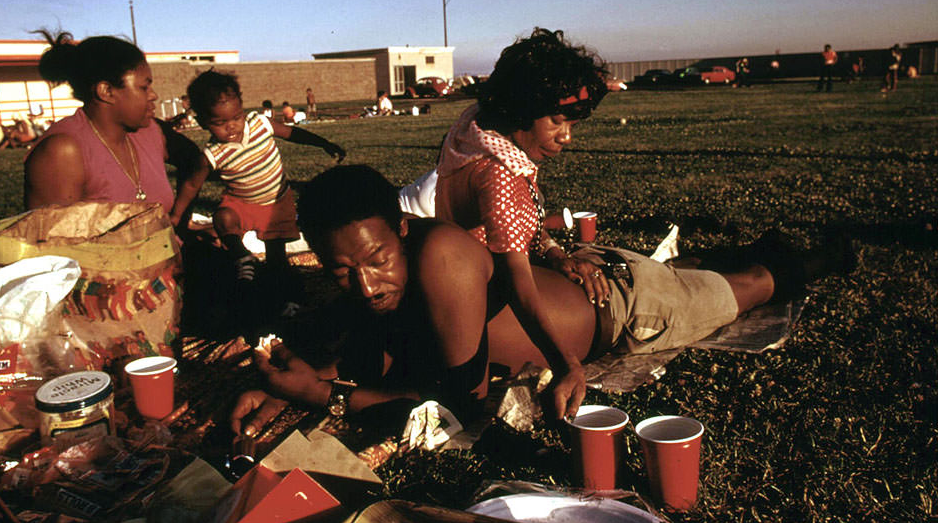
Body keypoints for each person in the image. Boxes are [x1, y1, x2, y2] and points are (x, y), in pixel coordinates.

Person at [229, 165, 852, 435]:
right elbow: (378, 356)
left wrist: (321, 395)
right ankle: (755, 252)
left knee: (751, 291)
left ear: (401, 230)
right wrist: (290, 382)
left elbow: (463, 404)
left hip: (627, 309)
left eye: (376, 262)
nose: (366, 286)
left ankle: (825, 255)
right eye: (341, 273)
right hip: (596, 289)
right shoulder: (384, 280)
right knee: (719, 274)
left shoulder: (438, 256)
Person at [433, 28, 613, 417]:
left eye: (573, 125)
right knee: (684, 299)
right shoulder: (501, 173)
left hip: (462, 291)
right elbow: (518, 281)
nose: (567, 137)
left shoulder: (471, 133)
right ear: (520, 108)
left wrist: (552, 251)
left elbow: (511, 225)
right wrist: (567, 363)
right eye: (557, 121)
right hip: (491, 305)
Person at [168, 70, 346, 318]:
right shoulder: (211, 153)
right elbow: (190, 185)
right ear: (202, 122)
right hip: (242, 202)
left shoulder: (259, 124)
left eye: (236, 117)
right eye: (220, 123)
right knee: (223, 217)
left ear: (242, 108)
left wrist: (324, 143)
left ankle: (287, 302)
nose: (231, 127)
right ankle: (243, 256)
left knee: (277, 259)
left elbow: (293, 133)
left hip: (277, 204)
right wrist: (176, 216)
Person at [24, 30, 200, 211]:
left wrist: (181, 221)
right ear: (106, 91)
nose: (153, 95)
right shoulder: (62, 152)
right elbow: (49, 237)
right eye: (144, 87)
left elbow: (196, 160)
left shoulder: (150, 132)